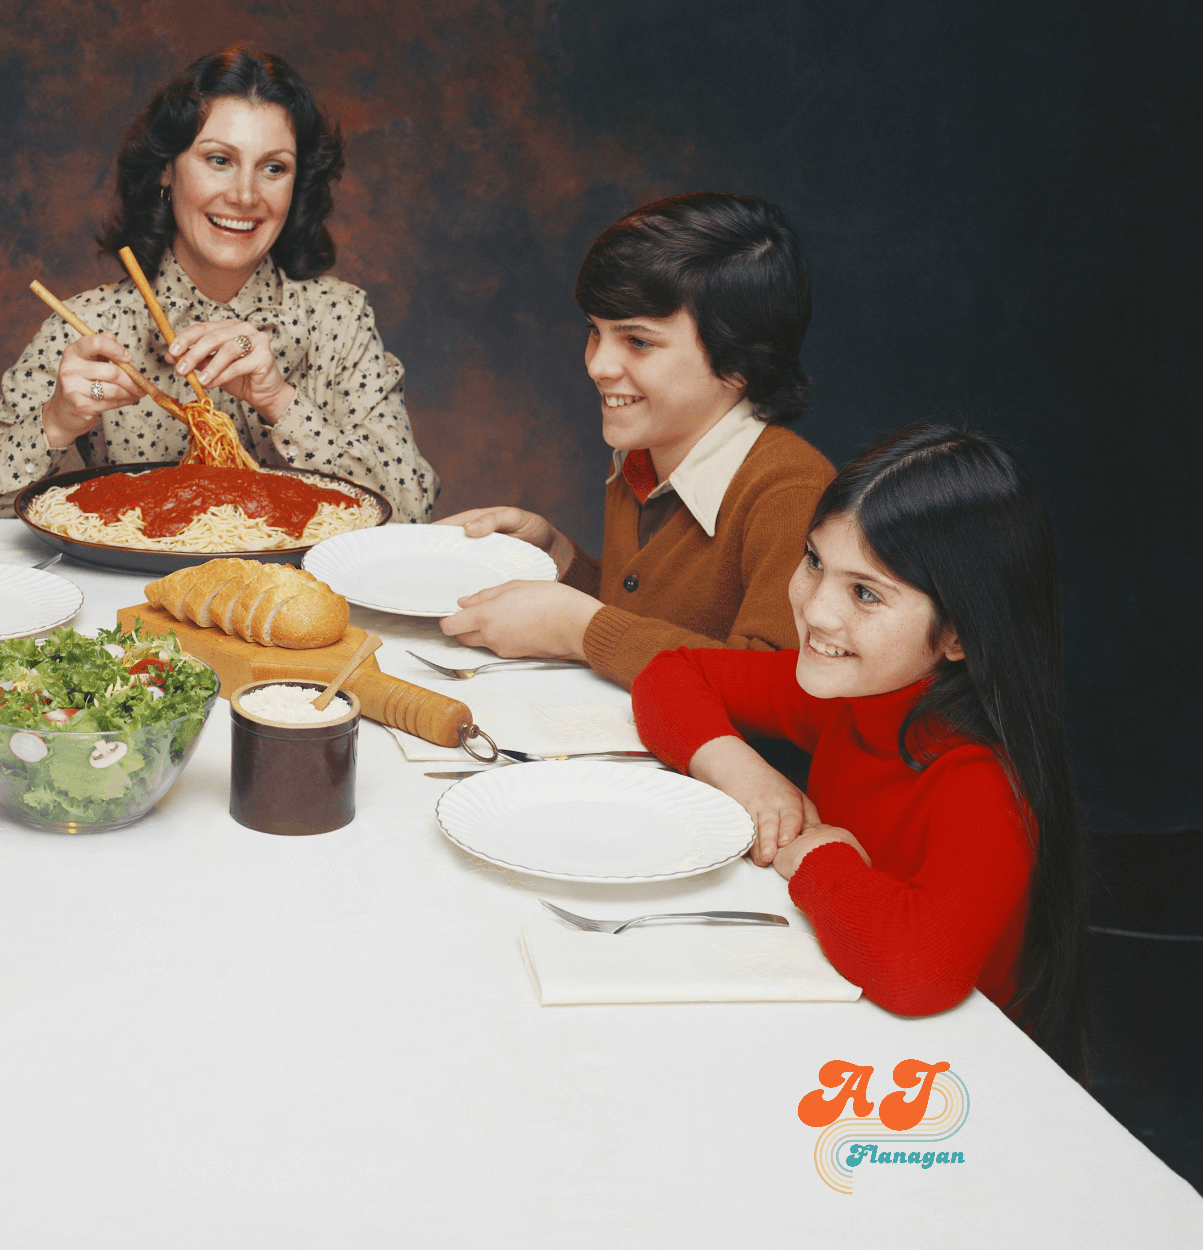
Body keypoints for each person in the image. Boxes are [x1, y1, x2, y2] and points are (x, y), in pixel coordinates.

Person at [630, 425, 1087, 1070]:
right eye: (815, 561)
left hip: (954, 1085)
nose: (817, 611)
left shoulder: (982, 781)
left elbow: (917, 971)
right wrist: (744, 774)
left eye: (865, 593)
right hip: (845, 1032)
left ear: (958, 633)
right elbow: (670, 674)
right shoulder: (854, 693)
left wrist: (821, 857)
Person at [0, 46, 439, 520]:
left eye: (273, 168)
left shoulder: (339, 318)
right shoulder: (93, 325)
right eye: (219, 160)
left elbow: (413, 510)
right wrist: (54, 423)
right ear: (166, 171)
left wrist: (280, 400)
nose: (244, 195)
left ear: (296, 183)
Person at [439, 192, 831, 687]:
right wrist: (559, 560)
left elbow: (780, 688)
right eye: (595, 332)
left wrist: (581, 630)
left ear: (737, 361)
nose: (599, 366)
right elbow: (650, 615)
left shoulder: (791, 492)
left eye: (638, 342)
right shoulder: (640, 456)